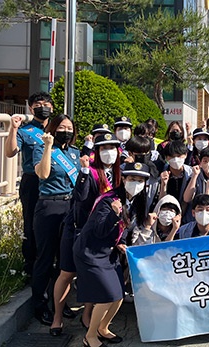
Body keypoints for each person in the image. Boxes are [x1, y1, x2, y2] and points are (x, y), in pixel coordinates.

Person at [50, 132, 121, 335]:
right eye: (104, 148)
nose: (109, 153)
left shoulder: (118, 175)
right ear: (96, 152)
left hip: (100, 233)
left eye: (112, 148)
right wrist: (83, 171)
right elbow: (80, 196)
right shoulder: (90, 171)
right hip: (77, 229)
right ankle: (57, 317)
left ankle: (87, 314)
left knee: (93, 274)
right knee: (67, 273)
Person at [74, 162, 150, 347]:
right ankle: (90, 335)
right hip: (91, 252)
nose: (136, 183)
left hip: (109, 253)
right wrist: (114, 214)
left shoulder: (133, 201)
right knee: (107, 295)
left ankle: (103, 328)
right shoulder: (109, 200)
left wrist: (121, 243)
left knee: (118, 295)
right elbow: (99, 230)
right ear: (123, 179)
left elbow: (124, 229)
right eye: (132, 179)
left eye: (140, 180)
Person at [31, 114, 80, 326]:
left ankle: (59, 303)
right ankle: (40, 305)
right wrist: (48, 148)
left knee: (64, 261)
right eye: (61, 127)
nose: (66, 131)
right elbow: (42, 174)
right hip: (49, 206)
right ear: (52, 128)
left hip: (70, 207)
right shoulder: (41, 148)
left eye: (69, 128)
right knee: (45, 257)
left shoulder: (75, 153)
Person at [3, 92, 52, 278]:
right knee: (31, 224)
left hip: (54, 182)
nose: (43, 107)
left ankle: (51, 262)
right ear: (31, 108)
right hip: (32, 182)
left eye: (47, 104)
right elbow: (10, 152)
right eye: (38, 104)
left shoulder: (57, 129)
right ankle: (31, 267)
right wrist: (13, 129)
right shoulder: (25, 131)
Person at [158, 140, 192, 214]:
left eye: (179, 156)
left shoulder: (191, 174)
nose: (176, 159)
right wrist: (163, 184)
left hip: (187, 216)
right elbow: (160, 200)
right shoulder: (160, 173)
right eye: (172, 156)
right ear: (166, 158)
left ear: (185, 155)